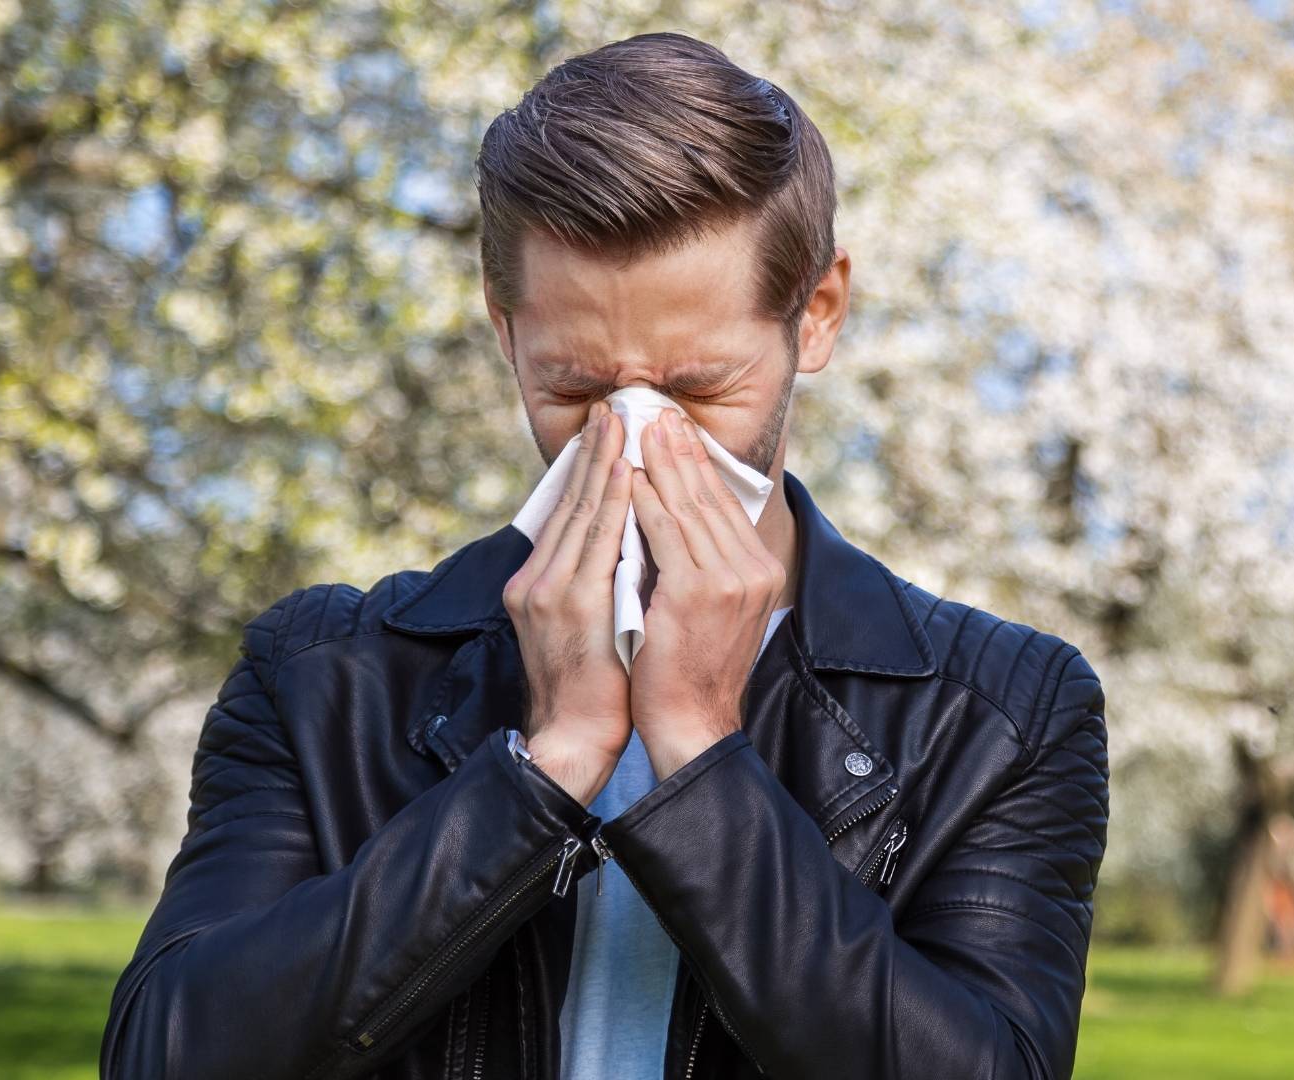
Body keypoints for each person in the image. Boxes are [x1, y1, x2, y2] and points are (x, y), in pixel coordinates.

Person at [101, 30, 1110, 1080]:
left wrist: (701, 752)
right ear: (506, 331)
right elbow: (166, 1053)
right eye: (576, 389)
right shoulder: (323, 674)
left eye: (700, 389)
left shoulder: (1004, 712)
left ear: (816, 315)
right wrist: (546, 768)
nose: (632, 438)